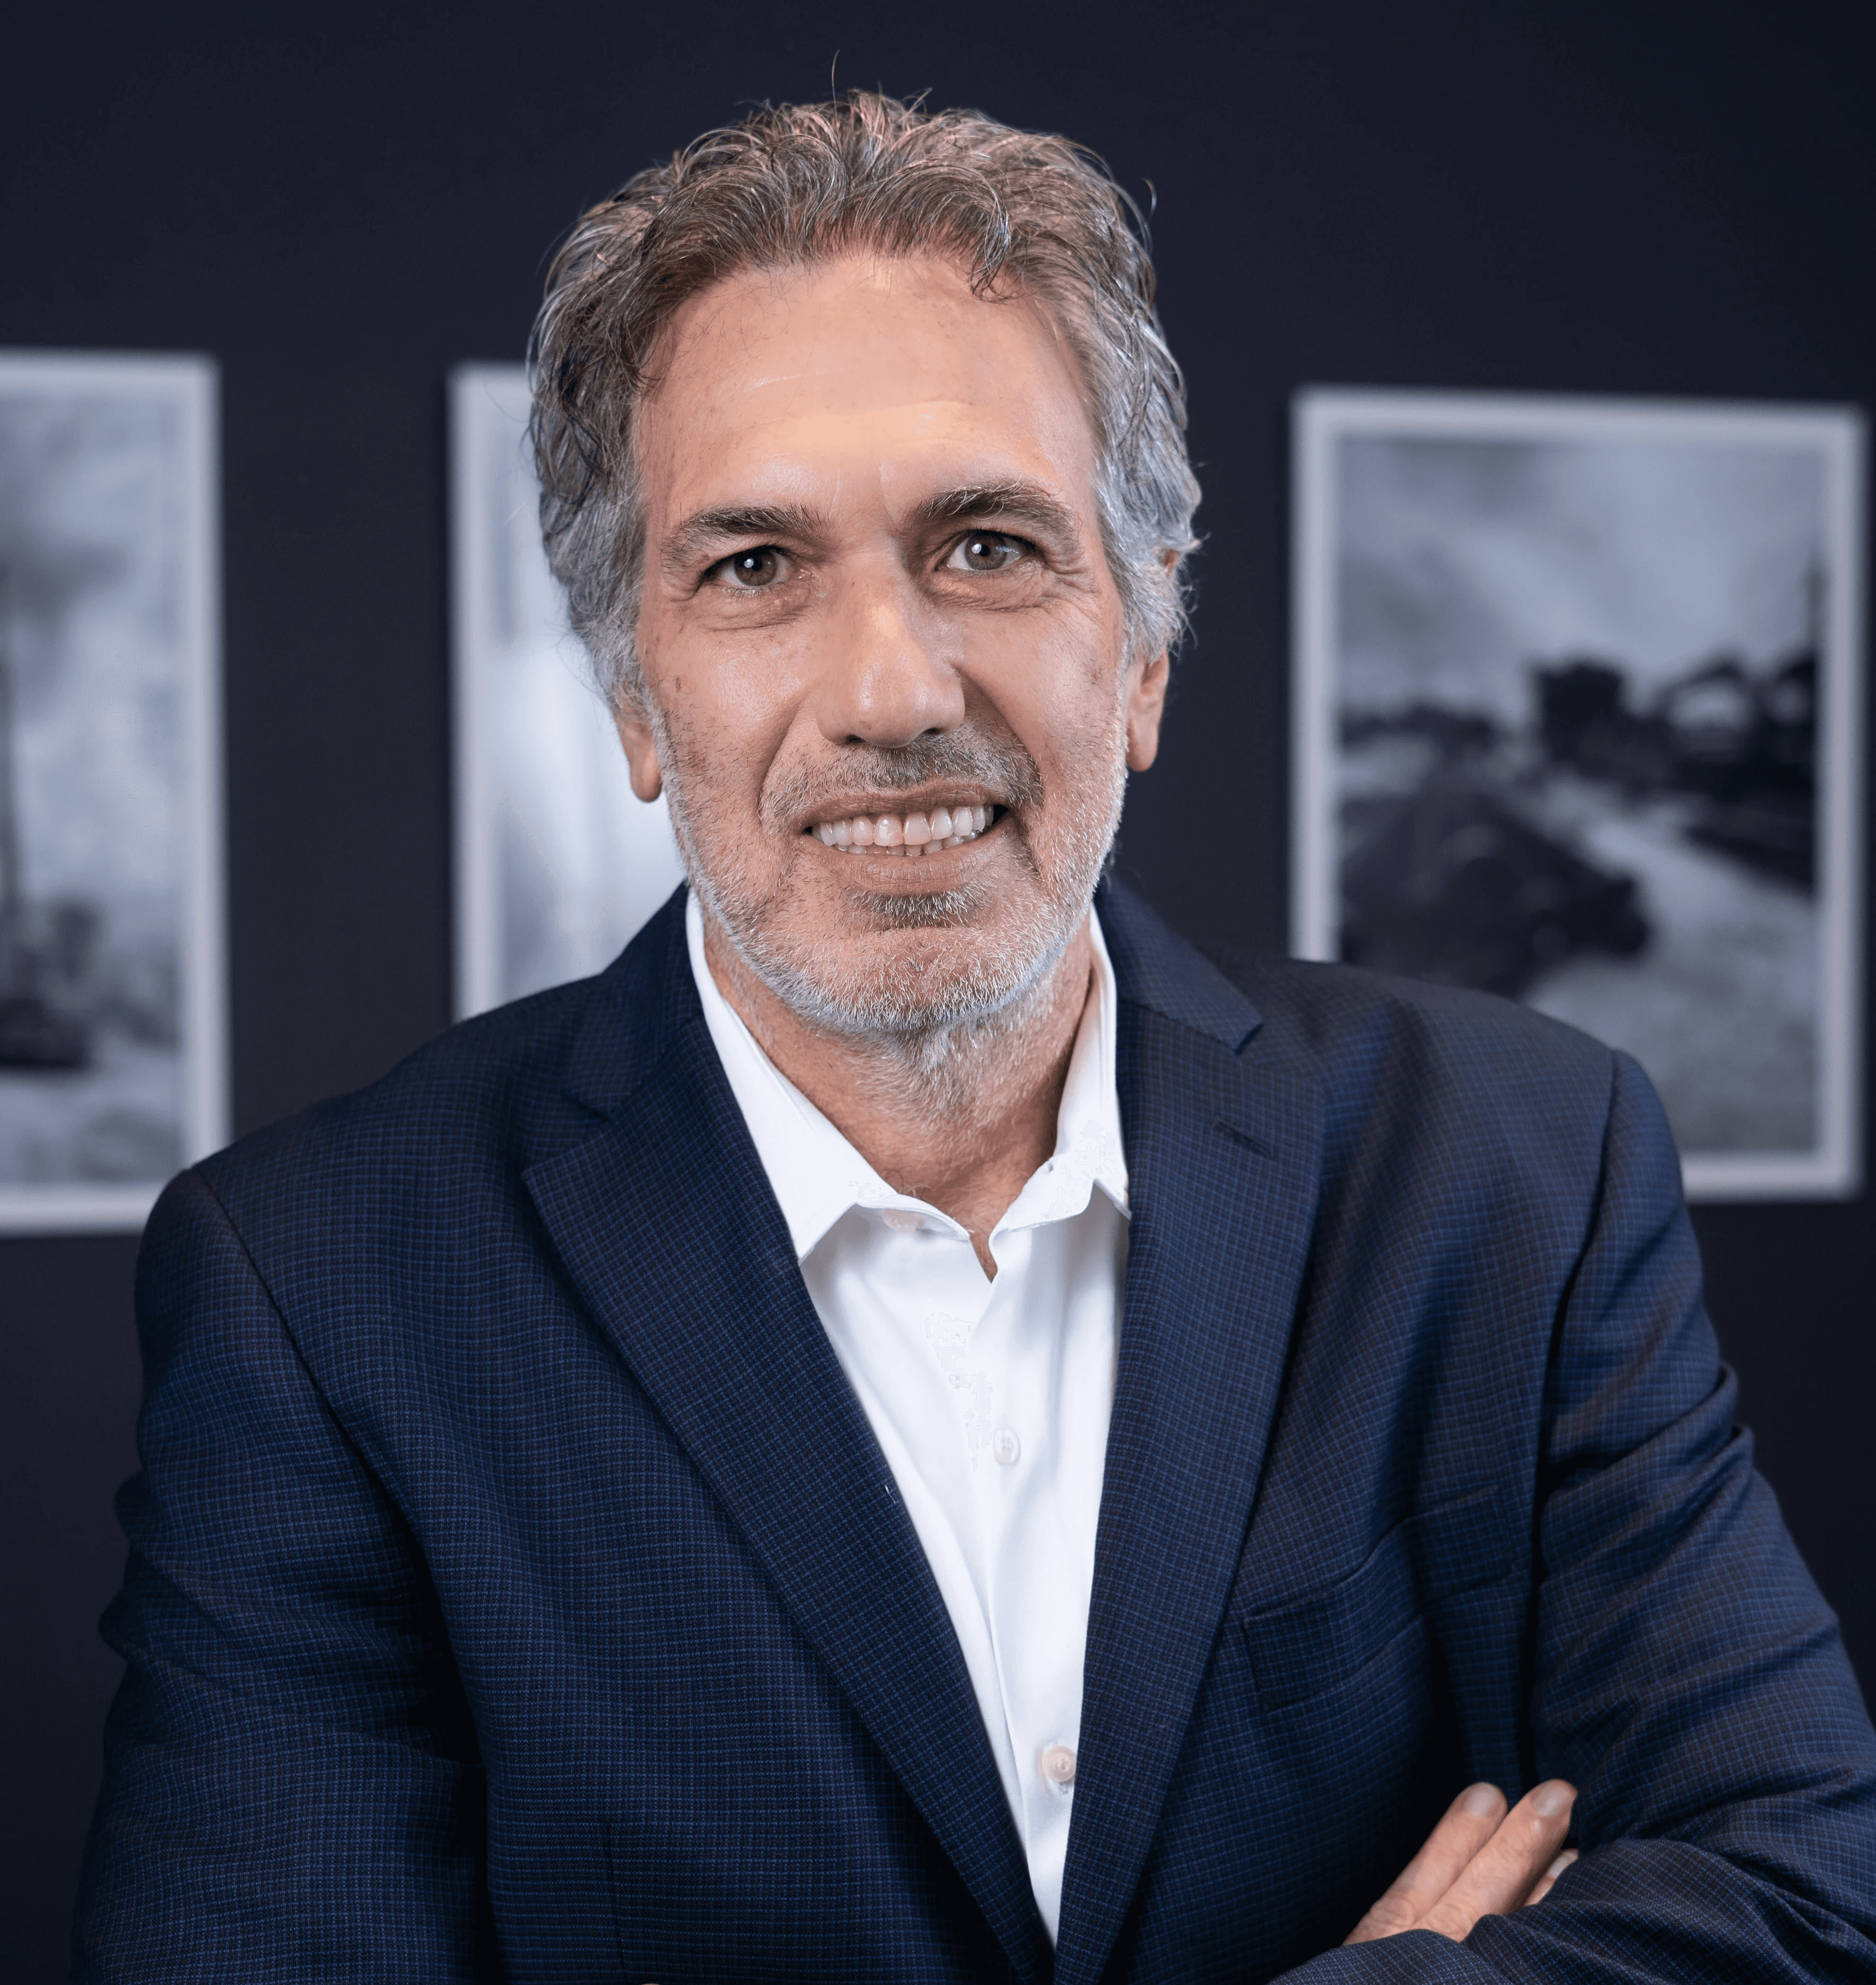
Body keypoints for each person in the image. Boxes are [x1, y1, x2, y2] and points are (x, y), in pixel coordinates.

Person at [75, 92, 1875, 1982]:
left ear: (1147, 651)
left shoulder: (1513, 1166)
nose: (890, 690)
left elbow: (1801, 1888)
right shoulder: (325, 1288)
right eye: (754, 568)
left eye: (990, 545)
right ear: (631, 700)